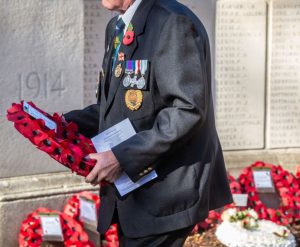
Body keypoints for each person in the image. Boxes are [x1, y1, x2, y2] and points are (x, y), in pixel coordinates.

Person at [64, 0, 233, 246]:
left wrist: (122, 157)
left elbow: (187, 110)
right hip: (134, 192)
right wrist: (61, 124)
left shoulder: (173, 22)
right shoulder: (117, 27)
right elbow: (113, 108)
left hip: (166, 192)